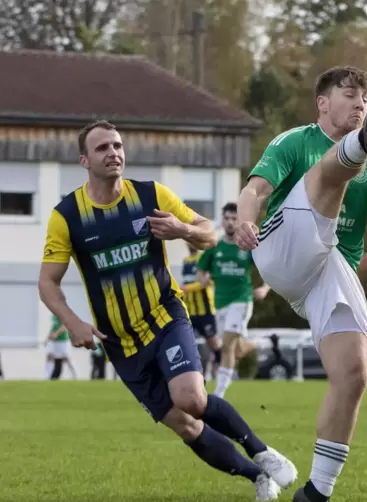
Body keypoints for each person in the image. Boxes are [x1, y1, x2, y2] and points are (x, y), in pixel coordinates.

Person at [38, 120, 297, 501]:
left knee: (191, 398)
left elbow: (209, 233)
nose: (113, 153)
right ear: (83, 160)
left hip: (164, 317)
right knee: (185, 425)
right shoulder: (67, 216)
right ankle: (258, 476)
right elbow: (48, 282)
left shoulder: (150, 195)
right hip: (121, 342)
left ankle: (261, 449)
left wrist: (183, 230)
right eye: (102, 148)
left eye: (118, 145)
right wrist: (72, 321)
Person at [236, 67, 367, 502]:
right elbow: (257, 190)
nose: (360, 102)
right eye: (351, 95)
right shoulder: (294, 141)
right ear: (322, 103)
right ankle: (354, 148)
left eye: (365, 98)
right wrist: (246, 220)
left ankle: (317, 492)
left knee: (355, 374)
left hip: (330, 270)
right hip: (283, 249)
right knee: (328, 173)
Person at [197, 202, 271, 399]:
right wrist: (203, 278)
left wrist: (265, 287)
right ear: (222, 220)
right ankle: (254, 345)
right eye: (227, 218)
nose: (230, 222)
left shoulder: (247, 247)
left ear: (239, 222)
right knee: (234, 349)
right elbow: (201, 270)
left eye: (234, 219)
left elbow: (268, 268)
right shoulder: (215, 247)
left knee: (228, 345)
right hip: (220, 303)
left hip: (242, 299)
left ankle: (219, 394)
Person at [181, 243, 221, 380]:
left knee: (213, 342)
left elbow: (205, 282)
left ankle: (221, 367)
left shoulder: (204, 259)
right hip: (190, 310)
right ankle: (197, 373)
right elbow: (184, 283)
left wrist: (187, 288)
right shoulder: (185, 261)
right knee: (188, 343)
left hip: (205, 311)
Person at [45, 313, 78, 380]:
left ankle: (75, 376)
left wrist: (56, 334)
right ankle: (50, 377)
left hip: (63, 341)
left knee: (67, 358)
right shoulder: (54, 315)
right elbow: (53, 327)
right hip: (56, 342)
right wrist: (48, 337)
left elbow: (64, 326)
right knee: (54, 358)